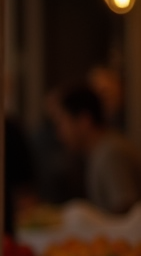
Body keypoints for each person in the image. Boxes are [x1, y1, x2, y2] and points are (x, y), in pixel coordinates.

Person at [53, 84, 141, 215]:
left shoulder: (110, 153)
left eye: (63, 122)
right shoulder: (99, 151)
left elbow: (125, 212)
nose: (59, 133)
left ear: (84, 121)